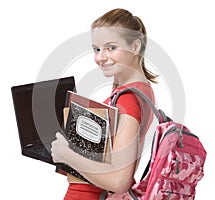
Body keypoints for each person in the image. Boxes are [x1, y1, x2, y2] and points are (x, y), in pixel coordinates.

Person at [51, 8, 158, 200]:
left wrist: (66, 155)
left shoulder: (129, 97)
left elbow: (119, 180)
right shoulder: (136, 89)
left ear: (134, 47)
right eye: (96, 49)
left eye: (111, 48)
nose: (100, 57)